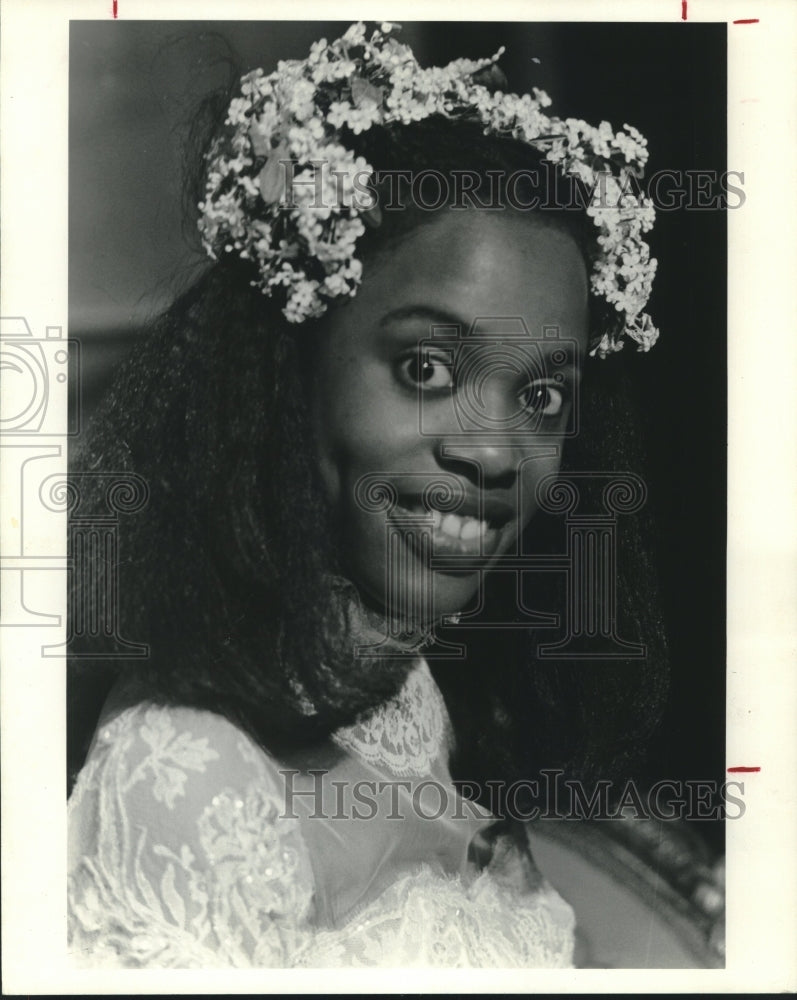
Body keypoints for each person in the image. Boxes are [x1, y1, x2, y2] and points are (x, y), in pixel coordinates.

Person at [67, 21, 674, 967]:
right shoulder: (186, 777)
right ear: (287, 374)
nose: (494, 452)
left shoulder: (430, 704)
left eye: (543, 395)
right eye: (426, 367)